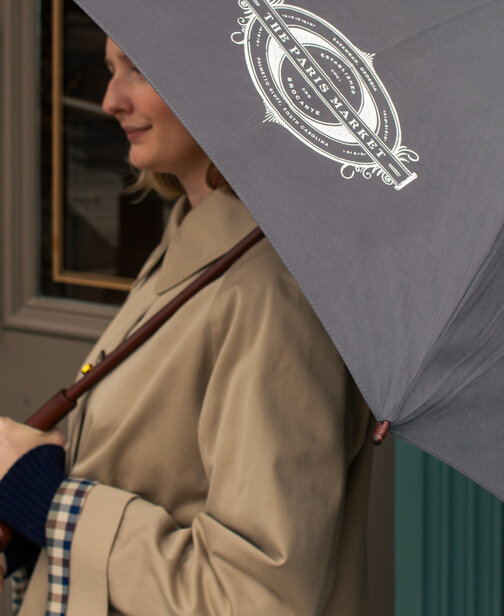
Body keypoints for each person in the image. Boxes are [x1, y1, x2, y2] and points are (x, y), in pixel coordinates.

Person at [0, 38, 374, 615]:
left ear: (229, 85)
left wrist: (45, 500)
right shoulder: (188, 241)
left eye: (140, 68)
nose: (109, 100)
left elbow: (253, 598)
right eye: (109, 69)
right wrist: (33, 530)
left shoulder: (270, 294)